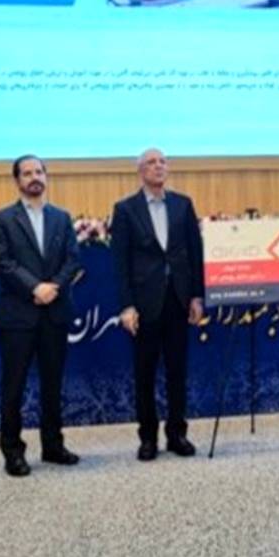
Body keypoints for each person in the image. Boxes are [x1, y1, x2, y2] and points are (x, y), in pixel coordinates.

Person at [0, 155, 82, 477]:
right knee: (13, 387)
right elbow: (2, 262)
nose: (34, 177)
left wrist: (53, 286)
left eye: (39, 171)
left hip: (55, 312)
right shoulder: (3, 218)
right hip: (18, 315)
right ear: (17, 181)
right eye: (27, 173)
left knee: (52, 384)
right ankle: (13, 451)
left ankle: (53, 445)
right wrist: (34, 288)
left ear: (46, 176)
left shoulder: (61, 217)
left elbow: (73, 259)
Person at [111, 148, 204, 460]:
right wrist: (127, 306)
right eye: (151, 162)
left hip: (178, 300)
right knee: (145, 374)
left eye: (162, 161)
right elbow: (120, 263)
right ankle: (148, 438)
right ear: (141, 171)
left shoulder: (183, 204)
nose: (158, 166)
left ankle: (177, 434)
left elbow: (195, 253)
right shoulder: (125, 209)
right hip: (144, 304)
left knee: (178, 371)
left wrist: (196, 296)